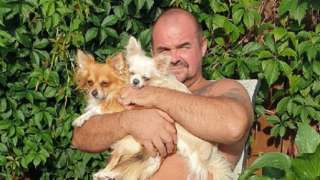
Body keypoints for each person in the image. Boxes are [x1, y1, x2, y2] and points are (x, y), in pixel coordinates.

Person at [72, 8, 253, 180]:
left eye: (184, 47)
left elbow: (232, 125)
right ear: (152, 54)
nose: (173, 58)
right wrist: (128, 122)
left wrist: (155, 96)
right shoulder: (134, 85)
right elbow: (81, 137)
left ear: (203, 46)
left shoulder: (221, 89)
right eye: (164, 50)